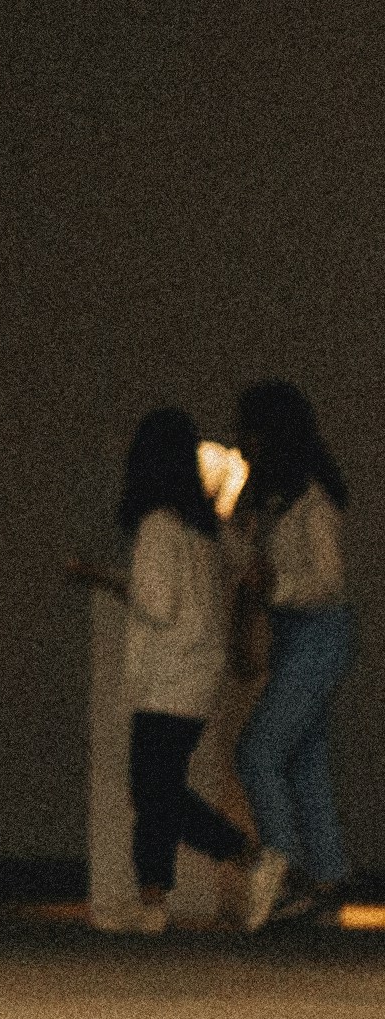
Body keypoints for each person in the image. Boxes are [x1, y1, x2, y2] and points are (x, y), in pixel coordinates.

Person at [89, 404, 259, 933]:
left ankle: (231, 860)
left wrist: (106, 578)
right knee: (159, 789)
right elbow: (243, 568)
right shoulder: (206, 528)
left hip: (165, 677)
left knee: (152, 791)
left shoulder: (159, 525)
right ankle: (157, 898)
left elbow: (156, 604)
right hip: (197, 678)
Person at [234, 380, 353, 920]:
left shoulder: (312, 499)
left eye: (250, 431)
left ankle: (285, 865)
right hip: (298, 633)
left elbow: (328, 581)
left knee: (257, 750)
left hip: (318, 631)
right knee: (304, 761)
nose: (243, 442)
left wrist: (270, 588)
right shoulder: (277, 498)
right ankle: (327, 881)